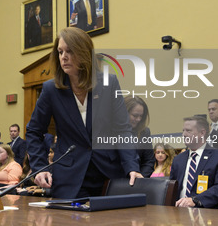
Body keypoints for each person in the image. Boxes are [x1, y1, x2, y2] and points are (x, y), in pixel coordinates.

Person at [26, 27, 141, 199]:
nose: (63, 57)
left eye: (69, 51)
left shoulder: (108, 83)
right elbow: (34, 131)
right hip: (70, 176)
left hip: (107, 172)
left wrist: (132, 166)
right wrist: (40, 168)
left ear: (84, 53)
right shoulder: (51, 89)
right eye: (60, 52)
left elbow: (122, 129)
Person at [170, 116, 218, 208]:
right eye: (183, 130)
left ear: (202, 133)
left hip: (206, 214)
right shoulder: (178, 159)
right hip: (177, 213)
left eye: (188, 131)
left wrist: (195, 200)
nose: (184, 134)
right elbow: (172, 187)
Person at [124, 95, 155, 178]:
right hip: (115, 180)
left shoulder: (145, 132)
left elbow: (149, 160)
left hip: (138, 181)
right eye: (135, 115)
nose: (138, 119)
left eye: (141, 116)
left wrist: (141, 176)